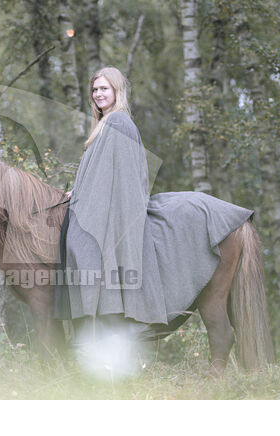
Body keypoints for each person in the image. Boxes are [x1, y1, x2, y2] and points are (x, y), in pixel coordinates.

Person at [53, 66, 254, 344]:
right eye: (95, 89)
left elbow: (121, 180)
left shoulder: (117, 123)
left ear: (117, 91)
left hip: (117, 212)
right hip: (103, 206)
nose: (98, 94)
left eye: (104, 88)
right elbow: (102, 173)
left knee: (82, 246)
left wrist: (84, 195)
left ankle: (107, 325)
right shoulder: (104, 125)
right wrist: (78, 189)